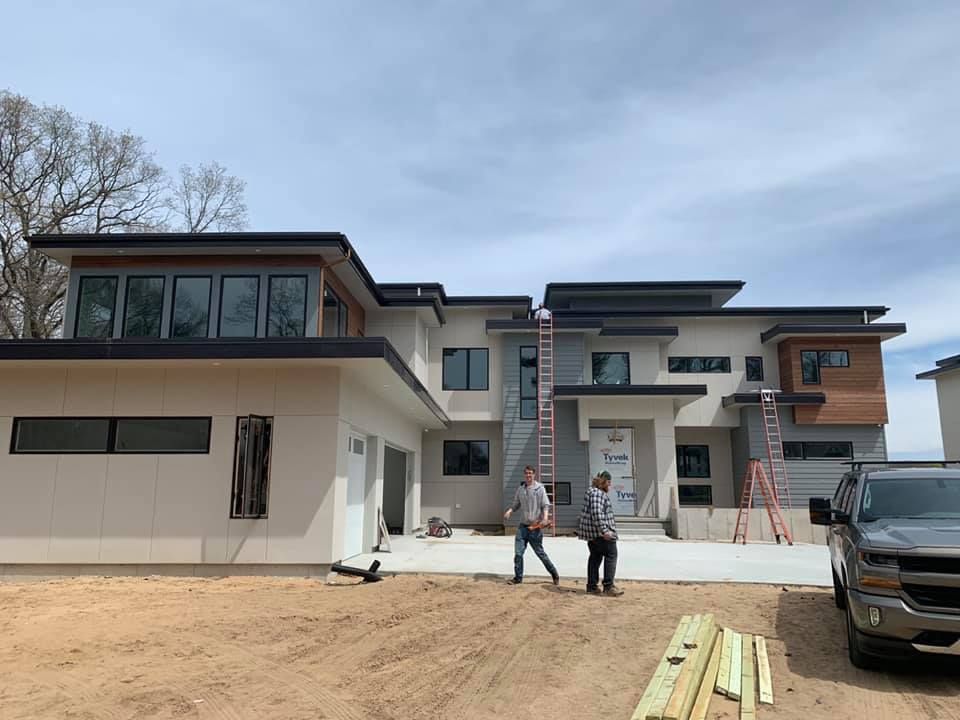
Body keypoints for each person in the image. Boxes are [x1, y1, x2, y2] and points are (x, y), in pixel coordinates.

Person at [504, 465, 560, 585]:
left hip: (535, 527)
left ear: (534, 474)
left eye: (530, 473)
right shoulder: (521, 489)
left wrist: (545, 518)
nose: (528, 475)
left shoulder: (539, 488)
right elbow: (516, 504)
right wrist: (510, 511)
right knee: (518, 554)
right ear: (524, 475)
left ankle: (554, 574)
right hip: (523, 527)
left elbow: (545, 505)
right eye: (526, 473)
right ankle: (518, 578)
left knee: (540, 554)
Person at [577, 470, 623, 596]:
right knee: (611, 554)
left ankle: (592, 586)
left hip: (592, 534)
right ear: (603, 482)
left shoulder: (592, 492)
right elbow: (597, 513)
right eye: (608, 482)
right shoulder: (597, 494)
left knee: (595, 557)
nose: (610, 485)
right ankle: (608, 586)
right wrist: (605, 531)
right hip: (600, 533)